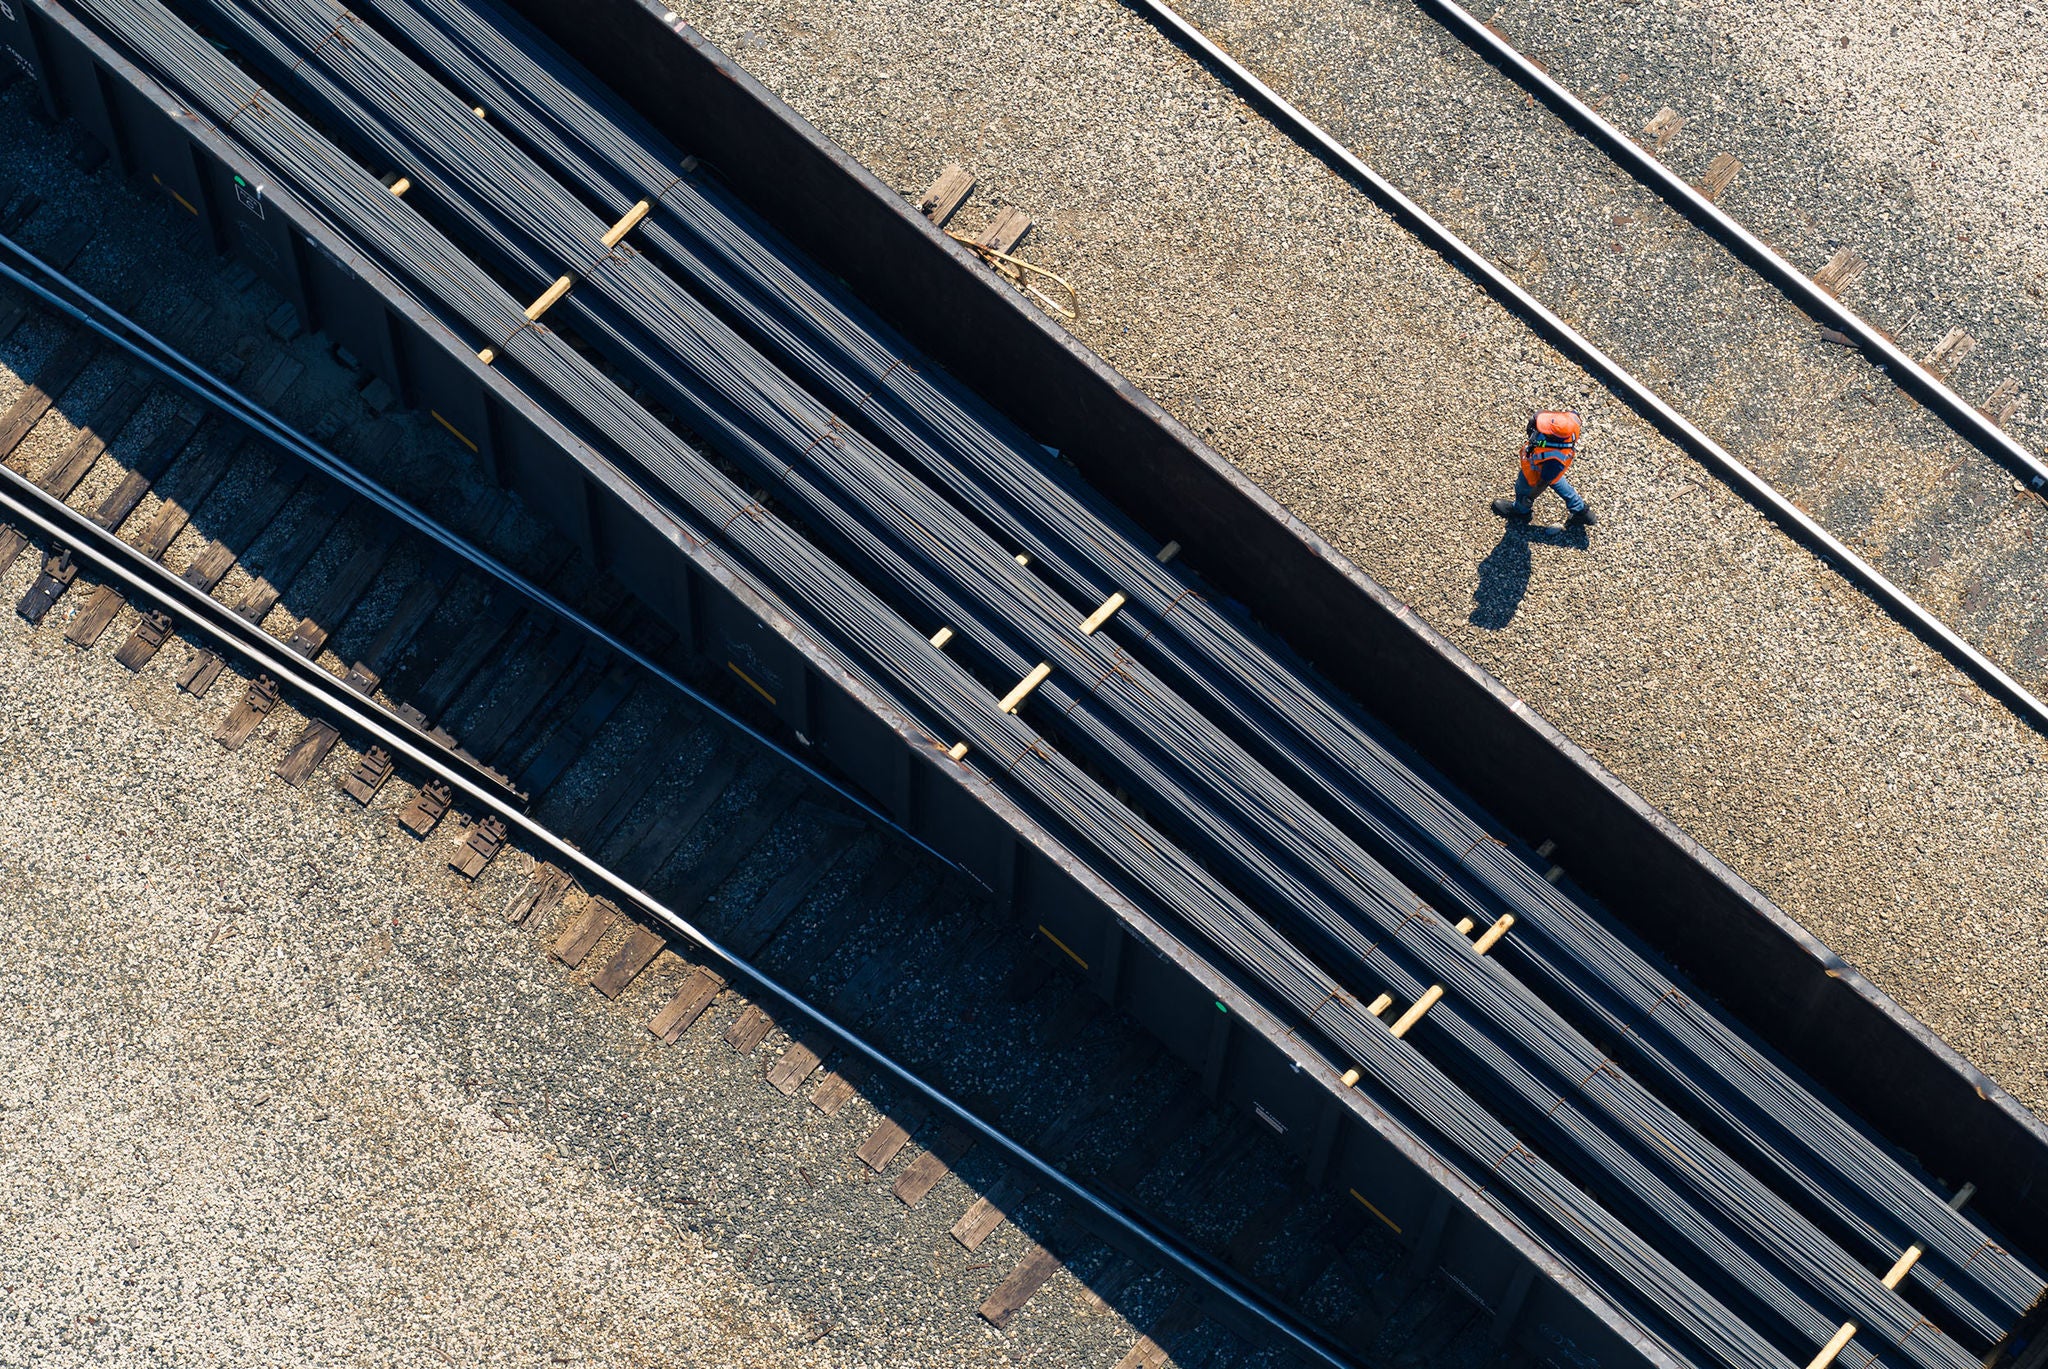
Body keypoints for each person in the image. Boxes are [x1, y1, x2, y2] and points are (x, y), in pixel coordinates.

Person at [1492, 410, 1597, 526]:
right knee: (1556, 480)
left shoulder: (1554, 460)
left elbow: (1543, 483)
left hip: (1535, 472)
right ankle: (1581, 510)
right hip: (1552, 472)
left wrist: (1530, 498)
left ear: (1553, 438)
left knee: (1523, 488)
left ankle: (1521, 511)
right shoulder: (1571, 421)